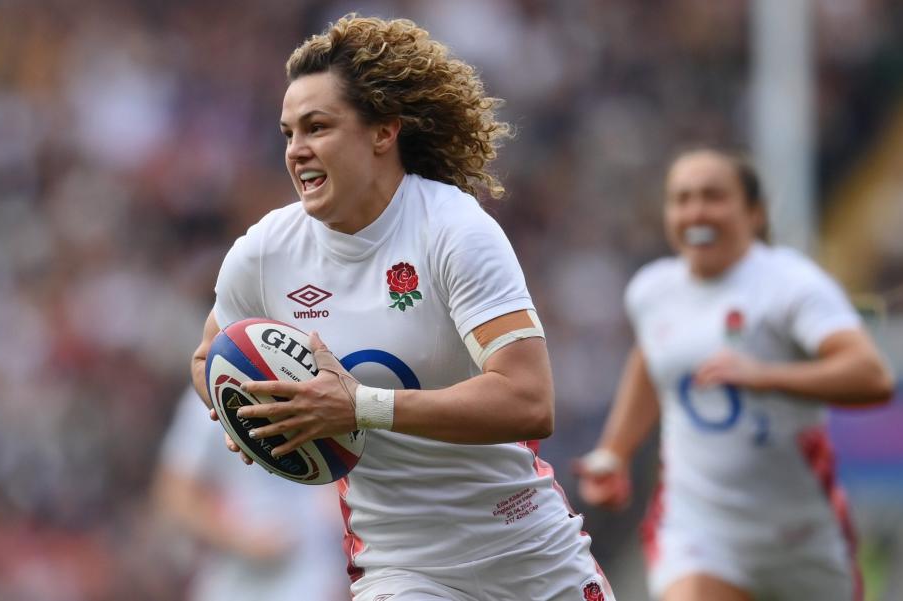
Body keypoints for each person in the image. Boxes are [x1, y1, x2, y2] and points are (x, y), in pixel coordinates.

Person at [189, 14, 614, 601]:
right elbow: (211, 354)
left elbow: (528, 399)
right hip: (401, 568)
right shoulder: (265, 252)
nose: (296, 151)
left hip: (526, 558)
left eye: (317, 127)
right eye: (288, 133)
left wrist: (360, 407)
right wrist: (244, 409)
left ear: (382, 132)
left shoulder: (454, 229)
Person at [576, 148, 895, 601]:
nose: (695, 211)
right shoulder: (652, 290)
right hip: (699, 529)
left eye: (712, 196)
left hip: (800, 537)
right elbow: (651, 361)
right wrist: (615, 451)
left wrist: (766, 375)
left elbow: (871, 376)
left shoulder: (792, 285)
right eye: (681, 198)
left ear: (754, 212)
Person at [152, 386, 350, 601]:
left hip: (314, 574)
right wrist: (238, 540)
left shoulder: (319, 383)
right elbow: (175, 492)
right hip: (235, 581)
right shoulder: (214, 389)